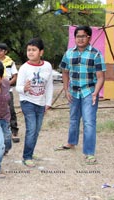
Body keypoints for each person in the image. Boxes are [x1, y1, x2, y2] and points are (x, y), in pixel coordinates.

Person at [55, 26, 106, 165]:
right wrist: (66, 90)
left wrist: (96, 92)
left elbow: (101, 77)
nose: (80, 39)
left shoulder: (96, 54)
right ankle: (71, 142)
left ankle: (89, 153)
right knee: (73, 118)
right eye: (78, 36)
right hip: (73, 91)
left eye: (83, 36)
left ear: (89, 37)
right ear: (74, 38)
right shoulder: (69, 53)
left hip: (89, 91)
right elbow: (65, 72)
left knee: (89, 122)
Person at [16, 38, 53, 168]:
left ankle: (30, 151)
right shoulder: (24, 68)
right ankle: (27, 157)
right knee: (31, 129)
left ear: (41, 52)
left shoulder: (47, 66)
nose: (30, 52)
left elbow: (49, 85)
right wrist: (24, 89)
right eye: (29, 50)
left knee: (36, 130)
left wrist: (48, 102)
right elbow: (18, 87)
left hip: (41, 103)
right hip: (27, 102)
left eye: (34, 50)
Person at [0, 43, 20, 143]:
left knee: (11, 109)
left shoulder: (10, 62)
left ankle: (14, 130)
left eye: (1, 50)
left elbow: (15, 76)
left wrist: (8, 83)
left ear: (5, 51)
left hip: (7, 89)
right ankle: (0, 130)